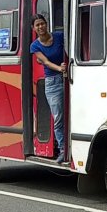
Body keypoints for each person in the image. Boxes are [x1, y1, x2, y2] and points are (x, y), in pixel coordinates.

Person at [29, 14, 67, 163]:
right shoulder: (35, 46)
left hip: (67, 79)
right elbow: (45, 62)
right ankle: (62, 149)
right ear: (34, 28)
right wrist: (59, 68)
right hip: (52, 83)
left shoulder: (59, 36)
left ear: (47, 24)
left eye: (42, 24)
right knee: (58, 117)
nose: (41, 27)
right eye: (37, 25)